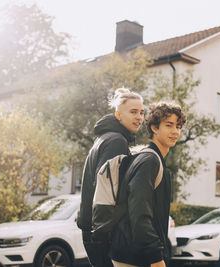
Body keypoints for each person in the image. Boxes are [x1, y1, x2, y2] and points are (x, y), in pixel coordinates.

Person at [110, 102, 186, 267]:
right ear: (154, 128)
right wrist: (156, 258)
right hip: (135, 257)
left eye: (178, 127)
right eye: (169, 125)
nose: (175, 131)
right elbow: (140, 214)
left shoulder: (151, 159)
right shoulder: (149, 161)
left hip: (134, 254)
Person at [77, 88, 144, 267]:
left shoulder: (106, 138)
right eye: (133, 112)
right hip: (101, 231)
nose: (139, 117)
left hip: (93, 227)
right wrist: (106, 231)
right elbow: (106, 188)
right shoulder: (116, 141)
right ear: (118, 115)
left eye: (141, 112)